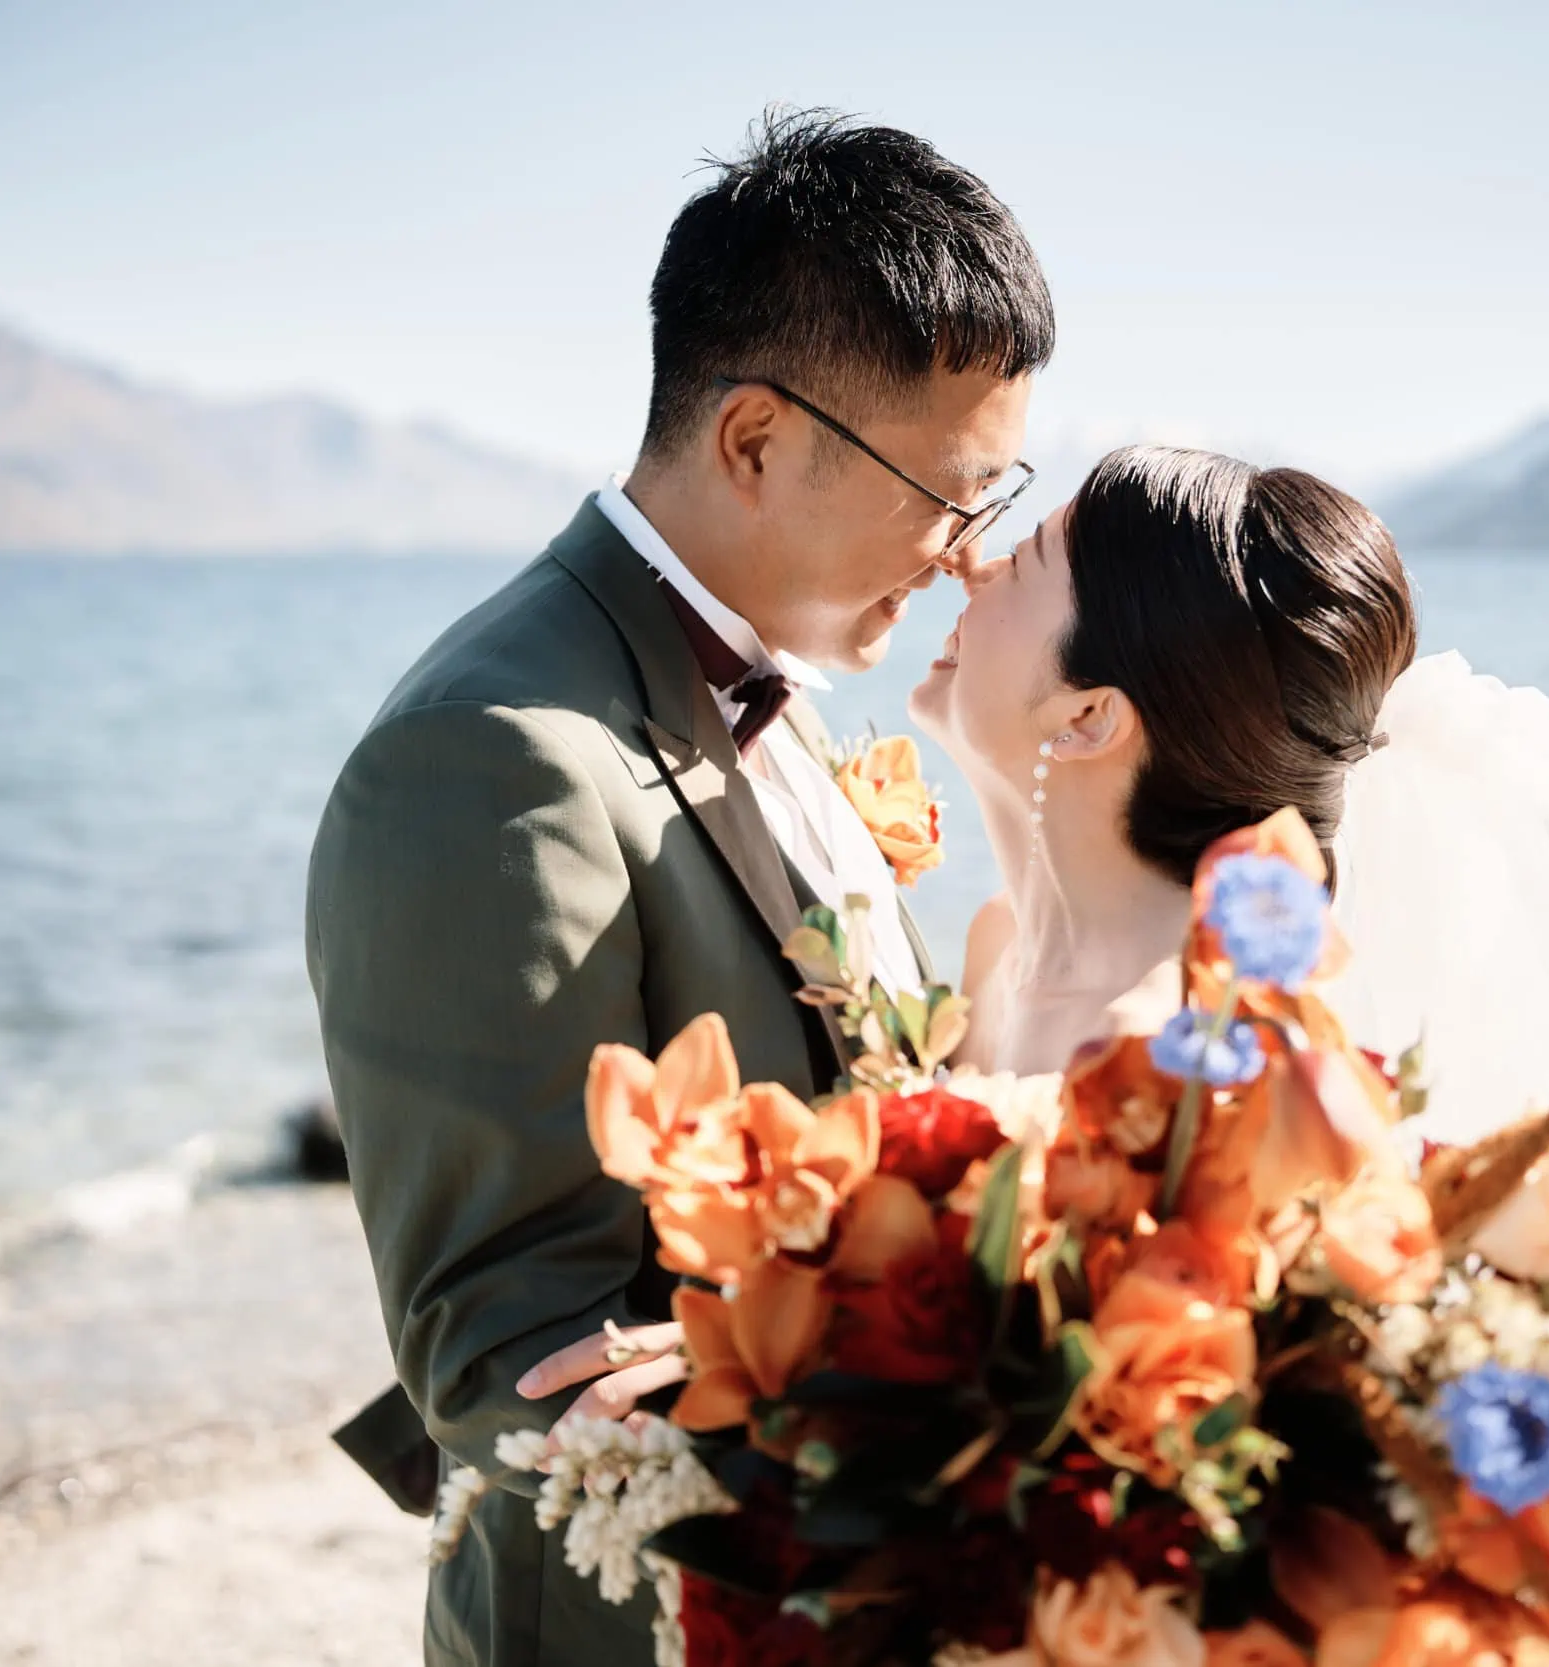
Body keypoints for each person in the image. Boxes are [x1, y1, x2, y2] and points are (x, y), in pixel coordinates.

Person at [306, 110, 1053, 1667]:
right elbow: (500, 1344)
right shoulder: (494, 754)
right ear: (757, 440)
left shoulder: (772, 673)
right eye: (950, 490)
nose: (972, 553)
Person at [911, 443, 1549, 1549]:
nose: (964, 563)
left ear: (1086, 718)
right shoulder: (995, 949)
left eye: (1017, 560)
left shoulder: (1204, 1066)